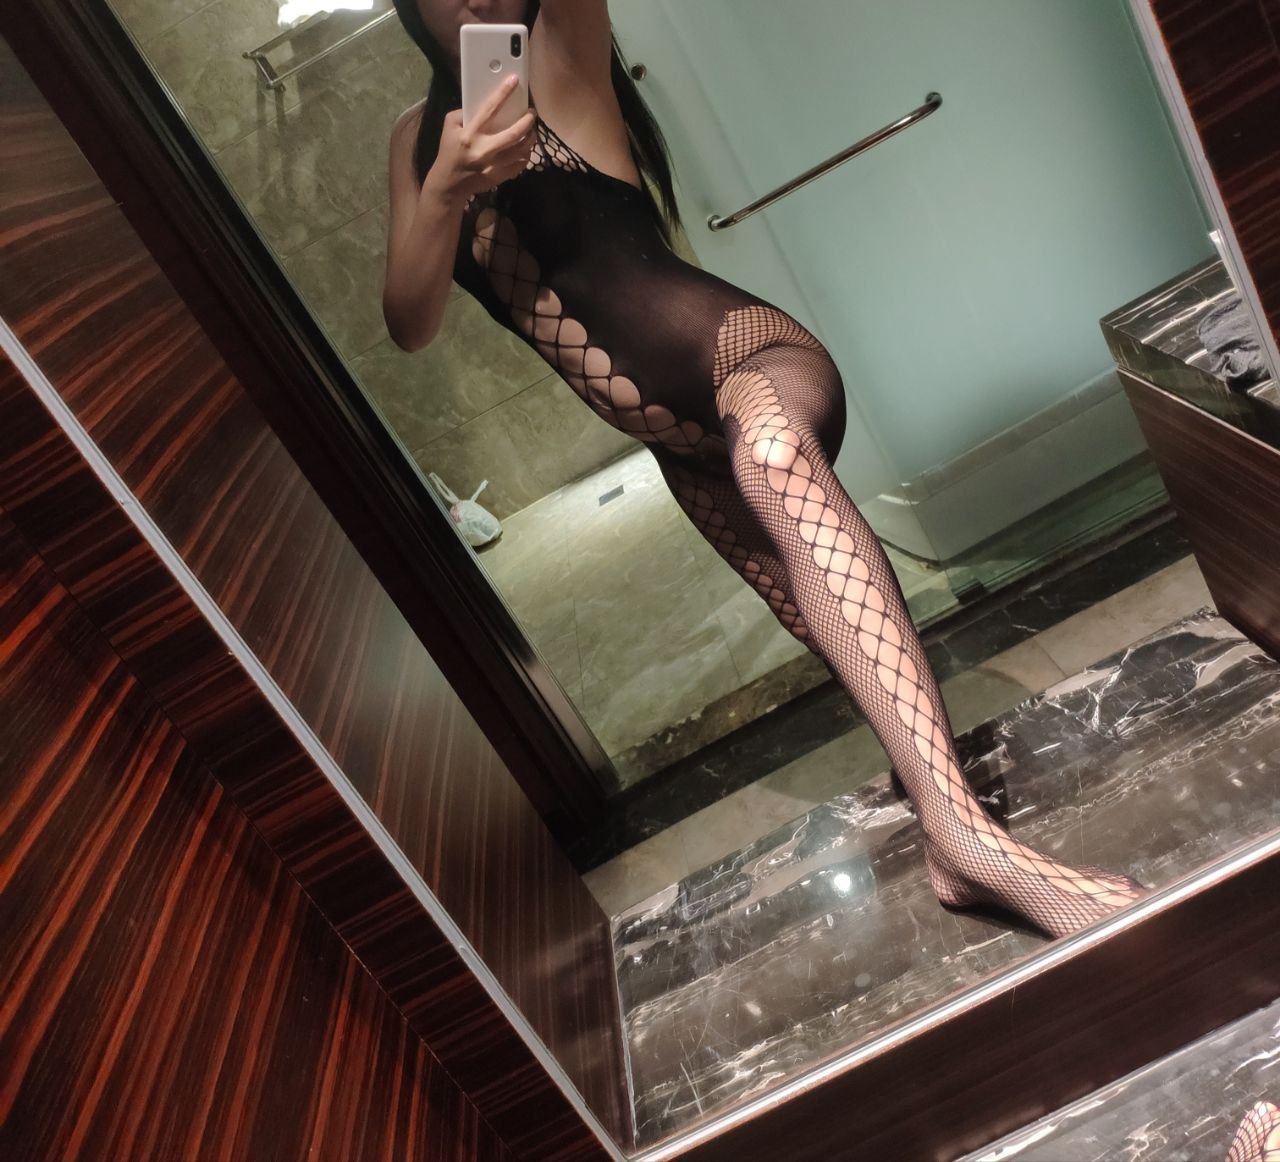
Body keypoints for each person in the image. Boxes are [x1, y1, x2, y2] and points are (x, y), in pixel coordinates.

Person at [383, 0, 1146, 940]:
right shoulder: (415, 143)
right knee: (824, 616)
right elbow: (408, 322)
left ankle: (971, 841)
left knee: (780, 466)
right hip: (686, 451)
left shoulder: (561, 47)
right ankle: (942, 821)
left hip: (747, 359)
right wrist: (445, 187)